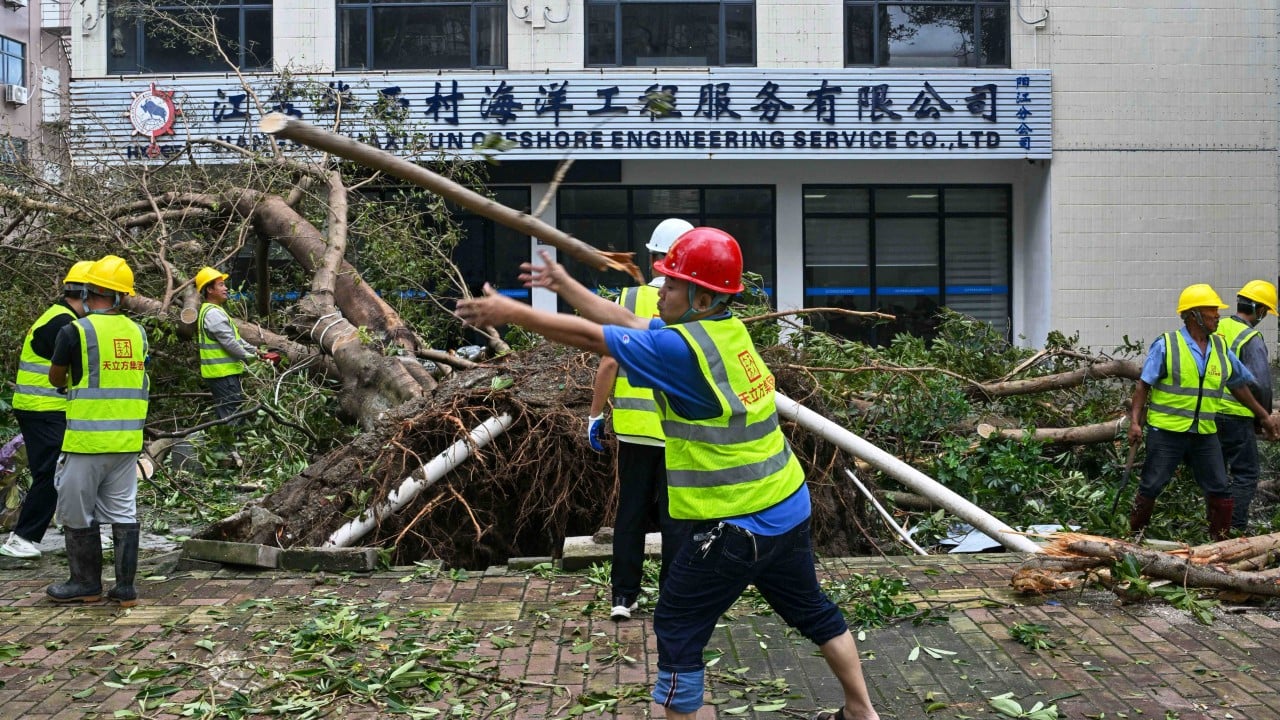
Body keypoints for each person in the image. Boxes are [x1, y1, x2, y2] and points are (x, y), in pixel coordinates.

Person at [457, 228, 879, 720]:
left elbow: (593, 337)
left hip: (733, 528)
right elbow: (627, 320)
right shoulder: (723, 331)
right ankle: (861, 712)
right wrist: (564, 285)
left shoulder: (681, 353)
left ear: (702, 297)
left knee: (677, 629)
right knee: (813, 610)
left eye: (672, 285)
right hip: (786, 506)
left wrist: (513, 313)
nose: (661, 291)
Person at [587, 218, 692, 621]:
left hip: (634, 430)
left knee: (629, 513)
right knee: (675, 517)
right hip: (679, 432)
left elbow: (610, 361)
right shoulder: (694, 301)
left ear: (652, 259)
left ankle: (623, 598)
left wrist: (595, 415)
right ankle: (672, 597)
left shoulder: (627, 300)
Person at [1127, 283, 1279, 541]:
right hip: (1167, 431)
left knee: (1219, 486)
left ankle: (1221, 543)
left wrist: (1262, 416)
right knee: (1152, 484)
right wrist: (1135, 422)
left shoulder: (1219, 347)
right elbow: (1144, 385)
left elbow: (1239, 384)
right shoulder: (1167, 345)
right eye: (1212, 311)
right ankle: (1132, 536)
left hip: (1204, 432)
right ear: (1194, 315)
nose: (1218, 316)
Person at [46, 255, 149, 607]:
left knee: (75, 511)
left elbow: (56, 377)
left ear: (92, 291)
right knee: (123, 511)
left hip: (87, 440)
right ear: (121, 296)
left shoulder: (74, 330)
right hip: (127, 441)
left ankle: (85, 584)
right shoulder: (138, 332)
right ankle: (125, 590)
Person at [1, 261, 92, 559]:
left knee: (64, 469)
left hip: (45, 407)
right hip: (43, 407)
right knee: (53, 471)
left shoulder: (60, 316)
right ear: (87, 294)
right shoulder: (62, 324)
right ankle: (22, 537)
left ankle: (78, 530)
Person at [1214, 280, 1277, 532]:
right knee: (1246, 474)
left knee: (1218, 477)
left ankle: (1214, 526)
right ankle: (1235, 527)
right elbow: (1260, 384)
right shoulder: (1250, 337)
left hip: (1207, 414)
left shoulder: (1218, 327)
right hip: (1236, 416)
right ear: (1260, 310)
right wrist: (1265, 417)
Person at [194, 266, 274, 423]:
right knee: (232, 416)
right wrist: (252, 358)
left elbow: (235, 339)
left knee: (229, 413)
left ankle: (228, 445)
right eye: (221, 285)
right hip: (223, 374)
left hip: (223, 374)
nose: (226, 288)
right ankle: (230, 447)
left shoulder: (213, 311)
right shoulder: (213, 313)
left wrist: (256, 351)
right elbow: (230, 343)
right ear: (210, 289)